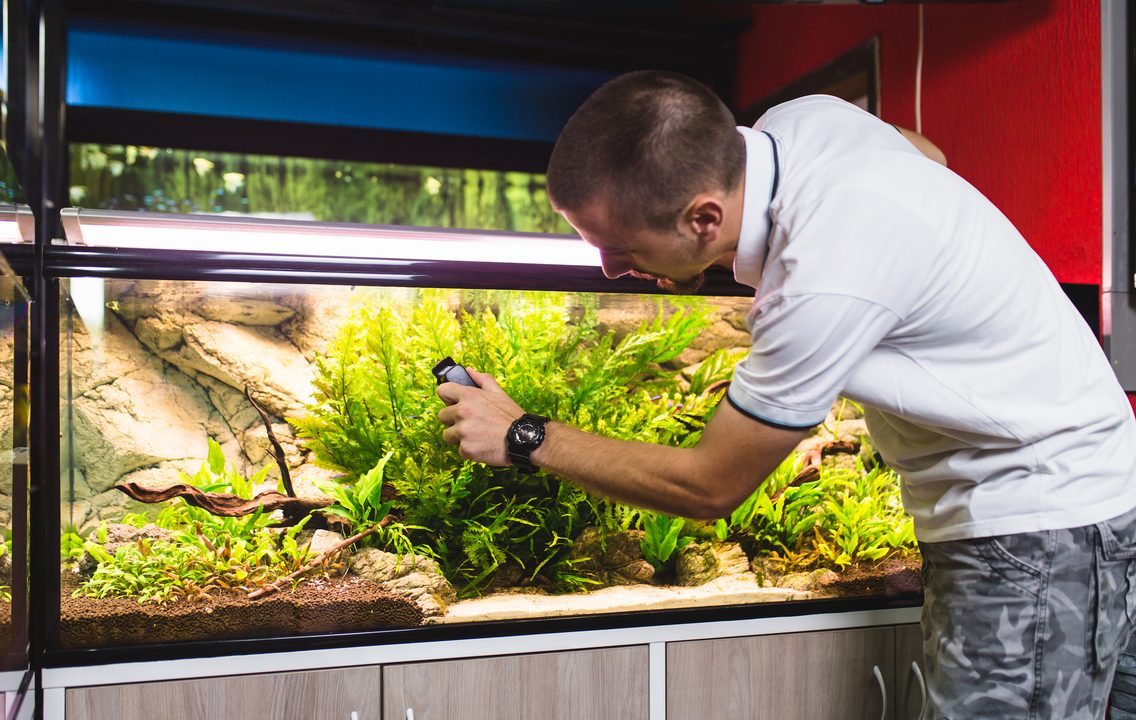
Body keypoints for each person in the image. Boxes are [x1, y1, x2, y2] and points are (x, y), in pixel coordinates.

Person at [435, 70, 1136, 719]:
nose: (610, 268)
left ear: (704, 218)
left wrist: (524, 435)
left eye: (619, 245)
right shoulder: (802, 124)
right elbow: (927, 154)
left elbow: (710, 489)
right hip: (1090, 490)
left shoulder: (822, 274)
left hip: (1040, 521)